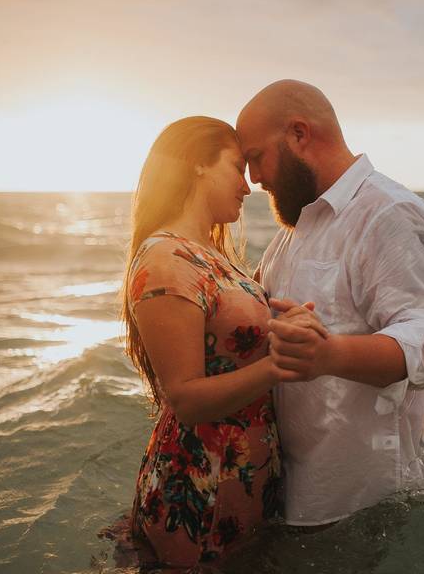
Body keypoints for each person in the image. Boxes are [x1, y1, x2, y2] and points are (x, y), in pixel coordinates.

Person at [235, 80, 424, 528]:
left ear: (299, 135)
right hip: (305, 498)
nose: (254, 178)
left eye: (256, 158)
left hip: (366, 506)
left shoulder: (388, 212)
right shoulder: (296, 230)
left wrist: (328, 354)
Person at [116, 116, 322, 567]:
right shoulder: (166, 259)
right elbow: (185, 398)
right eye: (236, 167)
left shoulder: (210, 255)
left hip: (240, 476)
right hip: (201, 487)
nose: (248, 187)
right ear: (196, 166)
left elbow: (230, 341)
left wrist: (284, 321)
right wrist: (279, 364)